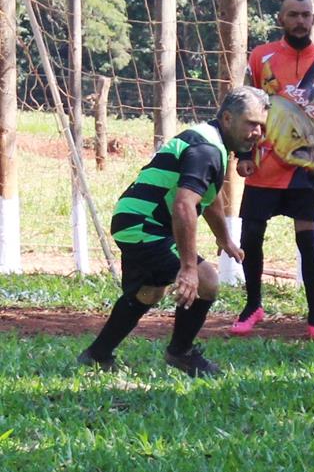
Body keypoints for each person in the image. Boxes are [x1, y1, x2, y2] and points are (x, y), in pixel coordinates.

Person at [77, 86, 269, 377]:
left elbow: (210, 195)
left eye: (262, 126)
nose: (257, 132)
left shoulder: (211, 140)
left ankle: (97, 355)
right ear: (228, 118)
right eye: (251, 124)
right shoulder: (207, 149)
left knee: (149, 292)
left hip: (136, 220)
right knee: (206, 280)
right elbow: (184, 206)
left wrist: (223, 237)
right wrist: (189, 268)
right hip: (144, 224)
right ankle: (181, 353)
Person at [230, 0, 314, 341]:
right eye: (293, 15)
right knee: (251, 237)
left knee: (308, 243)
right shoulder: (260, 57)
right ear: (281, 19)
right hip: (261, 166)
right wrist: (242, 155)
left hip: (305, 170)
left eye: (306, 15)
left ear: (313, 19)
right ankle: (253, 305)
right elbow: (243, 107)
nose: (300, 21)